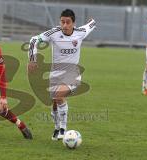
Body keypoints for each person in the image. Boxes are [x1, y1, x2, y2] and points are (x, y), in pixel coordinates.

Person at [28, 9, 96, 140]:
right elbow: (33, 40)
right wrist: (32, 58)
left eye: (68, 22)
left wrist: (92, 22)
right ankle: (57, 128)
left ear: (73, 23)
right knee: (54, 102)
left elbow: (91, 25)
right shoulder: (54, 33)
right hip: (55, 75)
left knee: (59, 96)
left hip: (73, 74)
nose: (64, 25)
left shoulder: (80, 33)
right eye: (62, 22)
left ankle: (64, 130)